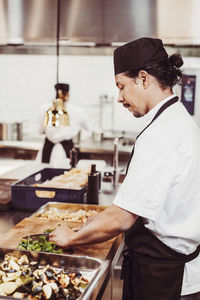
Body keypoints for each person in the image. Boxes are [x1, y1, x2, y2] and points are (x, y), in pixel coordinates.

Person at [49, 38, 200, 299]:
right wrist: (96, 221)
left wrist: (70, 238)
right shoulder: (177, 119)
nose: (119, 98)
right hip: (169, 269)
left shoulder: (162, 134)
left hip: (163, 279)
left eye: (121, 87)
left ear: (143, 79)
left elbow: (122, 218)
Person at [39, 83, 91, 165]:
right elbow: (89, 130)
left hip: (48, 150)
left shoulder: (45, 109)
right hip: (67, 149)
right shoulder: (78, 110)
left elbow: (40, 131)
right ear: (67, 94)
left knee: (45, 174)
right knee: (66, 175)